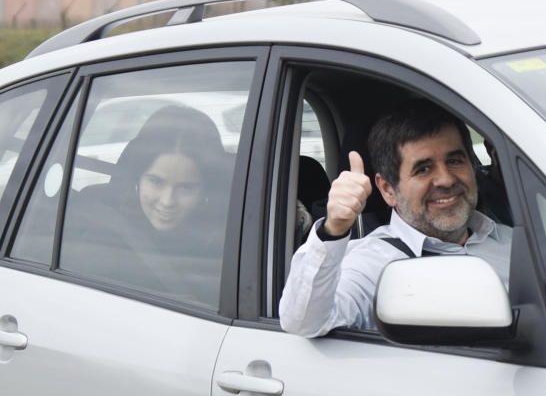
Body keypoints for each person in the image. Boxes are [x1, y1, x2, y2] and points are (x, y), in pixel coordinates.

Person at [279, 98, 513, 337]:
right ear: (388, 189)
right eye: (423, 169)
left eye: (454, 161)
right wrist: (334, 228)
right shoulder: (374, 263)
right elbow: (304, 322)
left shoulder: (514, 242)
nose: (446, 179)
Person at [61, 104, 230, 305]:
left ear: (205, 190)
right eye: (156, 182)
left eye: (185, 188)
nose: (168, 201)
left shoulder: (229, 243)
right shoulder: (99, 234)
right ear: (137, 178)